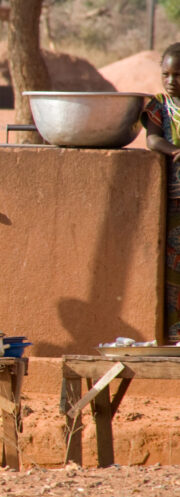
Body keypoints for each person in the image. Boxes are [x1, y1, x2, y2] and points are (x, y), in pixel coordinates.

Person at [141, 42, 180, 343]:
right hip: (174, 200)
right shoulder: (159, 107)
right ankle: (175, 334)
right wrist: (174, 151)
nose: (171, 81)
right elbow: (153, 140)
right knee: (173, 269)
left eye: (178, 75)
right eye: (166, 74)